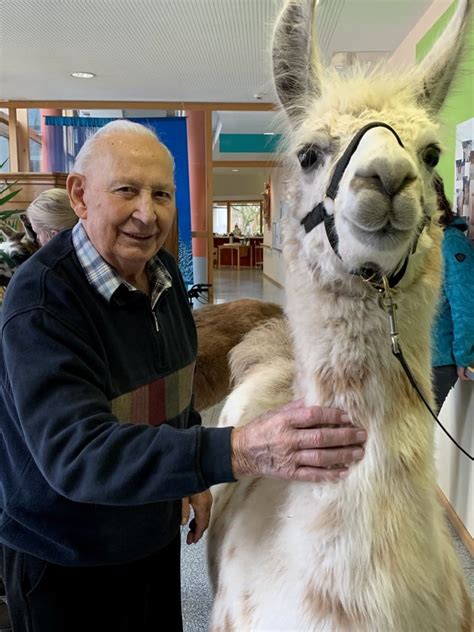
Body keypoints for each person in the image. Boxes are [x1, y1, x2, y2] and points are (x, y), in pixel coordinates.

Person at [0, 120, 367, 632]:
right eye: (126, 190)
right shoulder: (42, 303)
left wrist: (191, 462)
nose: (147, 214)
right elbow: (76, 454)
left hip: (150, 538)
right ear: (80, 196)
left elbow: (173, 390)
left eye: (162, 194)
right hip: (67, 560)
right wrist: (231, 451)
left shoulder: (163, 276)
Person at [432, 174, 474, 411]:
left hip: (440, 362)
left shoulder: (451, 243)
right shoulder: (424, 244)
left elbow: (466, 304)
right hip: (418, 359)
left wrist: (464, 356)